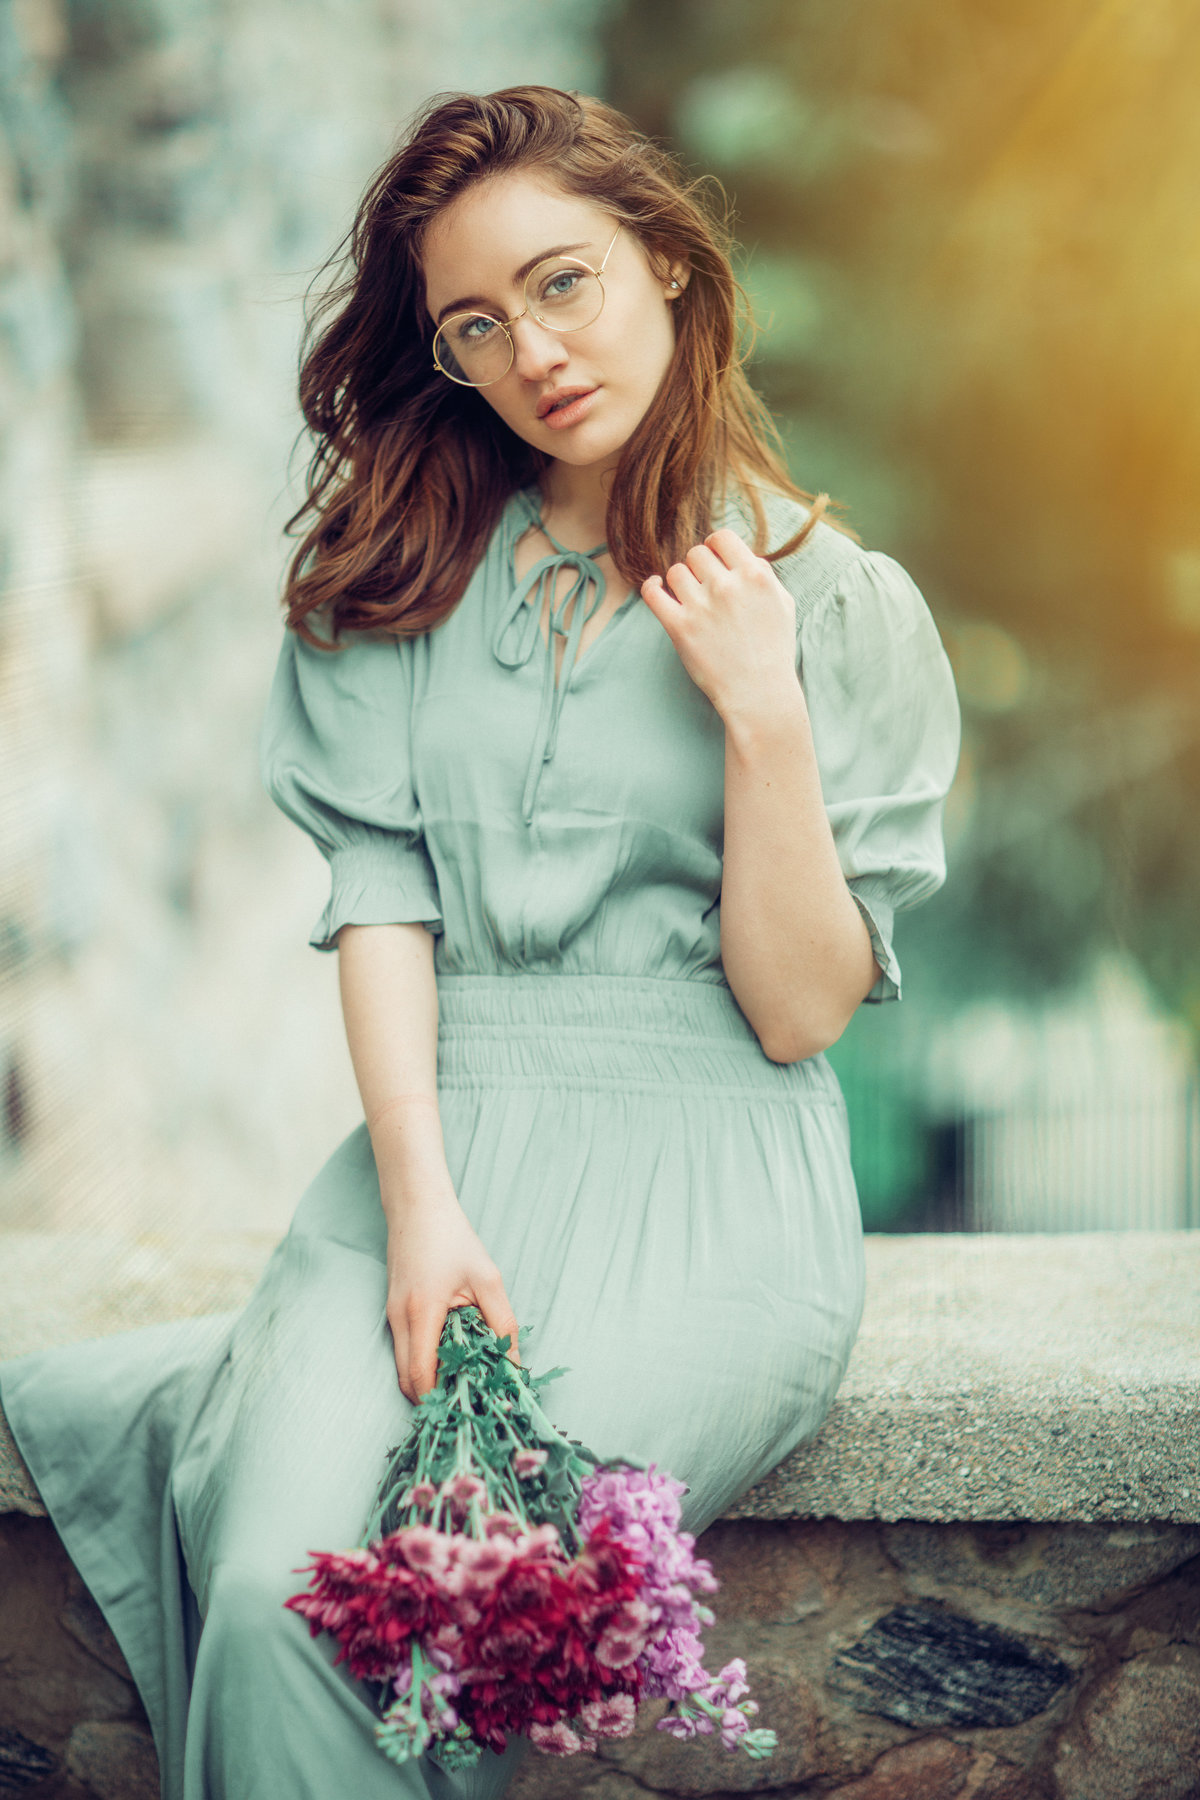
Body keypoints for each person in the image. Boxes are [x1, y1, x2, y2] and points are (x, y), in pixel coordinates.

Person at [0, 84, 960, 1800]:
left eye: (564, 282)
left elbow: (803, 1009)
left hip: (712, 1175)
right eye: (474, 325)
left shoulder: (832, 602)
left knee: (436, 1618)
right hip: (436, 1153)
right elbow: (384, 905)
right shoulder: (409, 576)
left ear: (667, 262)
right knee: (268, 1590)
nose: (533, 349)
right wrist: (422, 1210)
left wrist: (764, 721)